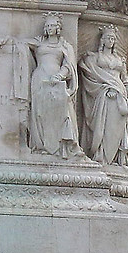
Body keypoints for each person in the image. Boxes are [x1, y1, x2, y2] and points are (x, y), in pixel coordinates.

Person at [79, 26, 128, 166]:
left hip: (120, 94)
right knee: (104, 125)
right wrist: (106, 87)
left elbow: (125, 79)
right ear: (102, 40)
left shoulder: (119, 59)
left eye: (112, 38)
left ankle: (118, 157)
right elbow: (91, 74)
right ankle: (101, 154)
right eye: (108, 38)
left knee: (120, 125)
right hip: (104, 94)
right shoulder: (95, 57)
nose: (110, 41)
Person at [24, 15, 80, 157]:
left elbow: (69, 66)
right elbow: (22, 44)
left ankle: (61, 147)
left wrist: (60, 75)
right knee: (39, 113)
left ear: (58, 28)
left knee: (62, 113)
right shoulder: (39, 43)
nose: (49, 29)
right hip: (39, 78)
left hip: (56, 80)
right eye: (47, 26)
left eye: (52, 26)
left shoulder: (65, 46)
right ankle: (40, 145)